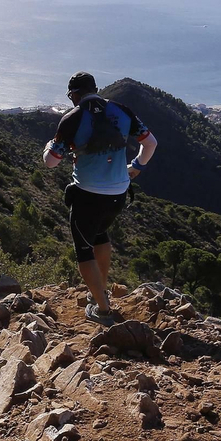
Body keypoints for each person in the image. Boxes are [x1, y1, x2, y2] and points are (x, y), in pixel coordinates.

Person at [41, 71, 157, 325]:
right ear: (95, 89)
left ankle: (103, 310)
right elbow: (151, 143)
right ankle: (99, 291)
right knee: (100, 236)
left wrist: (49, 145)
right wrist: (137, 166)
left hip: (87, 195)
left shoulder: (72, 117)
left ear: (74, 94)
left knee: (84, 251)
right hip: (119, 194)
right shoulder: (121, 110)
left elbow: (51, 162)